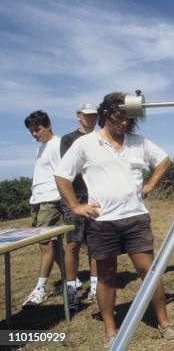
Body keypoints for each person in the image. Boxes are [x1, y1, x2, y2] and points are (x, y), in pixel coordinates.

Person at [54, 92, 174, 346]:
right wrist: (76, 206)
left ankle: (163, 322)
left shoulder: (138, 142)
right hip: (102, 222)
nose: (123, 123)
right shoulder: (85, 144)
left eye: (128, 120)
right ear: (105, 116)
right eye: (118, 118)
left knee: (149, 271)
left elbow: (164, 160)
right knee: (107, 276)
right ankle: (110, 329)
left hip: (135, 218)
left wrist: (151, 183)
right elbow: (62, 176)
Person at [22, 110, 65, 307]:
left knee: (45, 244)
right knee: (53, 246)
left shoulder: (57, 145)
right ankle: (68, 278)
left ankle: (40, 289)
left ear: (48, 125)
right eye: (31, 131)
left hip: (51, 200)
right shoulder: (41, 147)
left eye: (37, 129)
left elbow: (63, 174)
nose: (34, 134)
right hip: (38, 200)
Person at [60, 103, 99, 310]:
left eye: (94, 115)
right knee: (73, 244)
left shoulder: (101, 137)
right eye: (87, 115)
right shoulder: (68, 139)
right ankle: (71, 289)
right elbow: (69, 168)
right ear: (78, 116)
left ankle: (95, 286)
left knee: (95, 243)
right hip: (74, 196)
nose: (91, 119)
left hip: (96, 195)